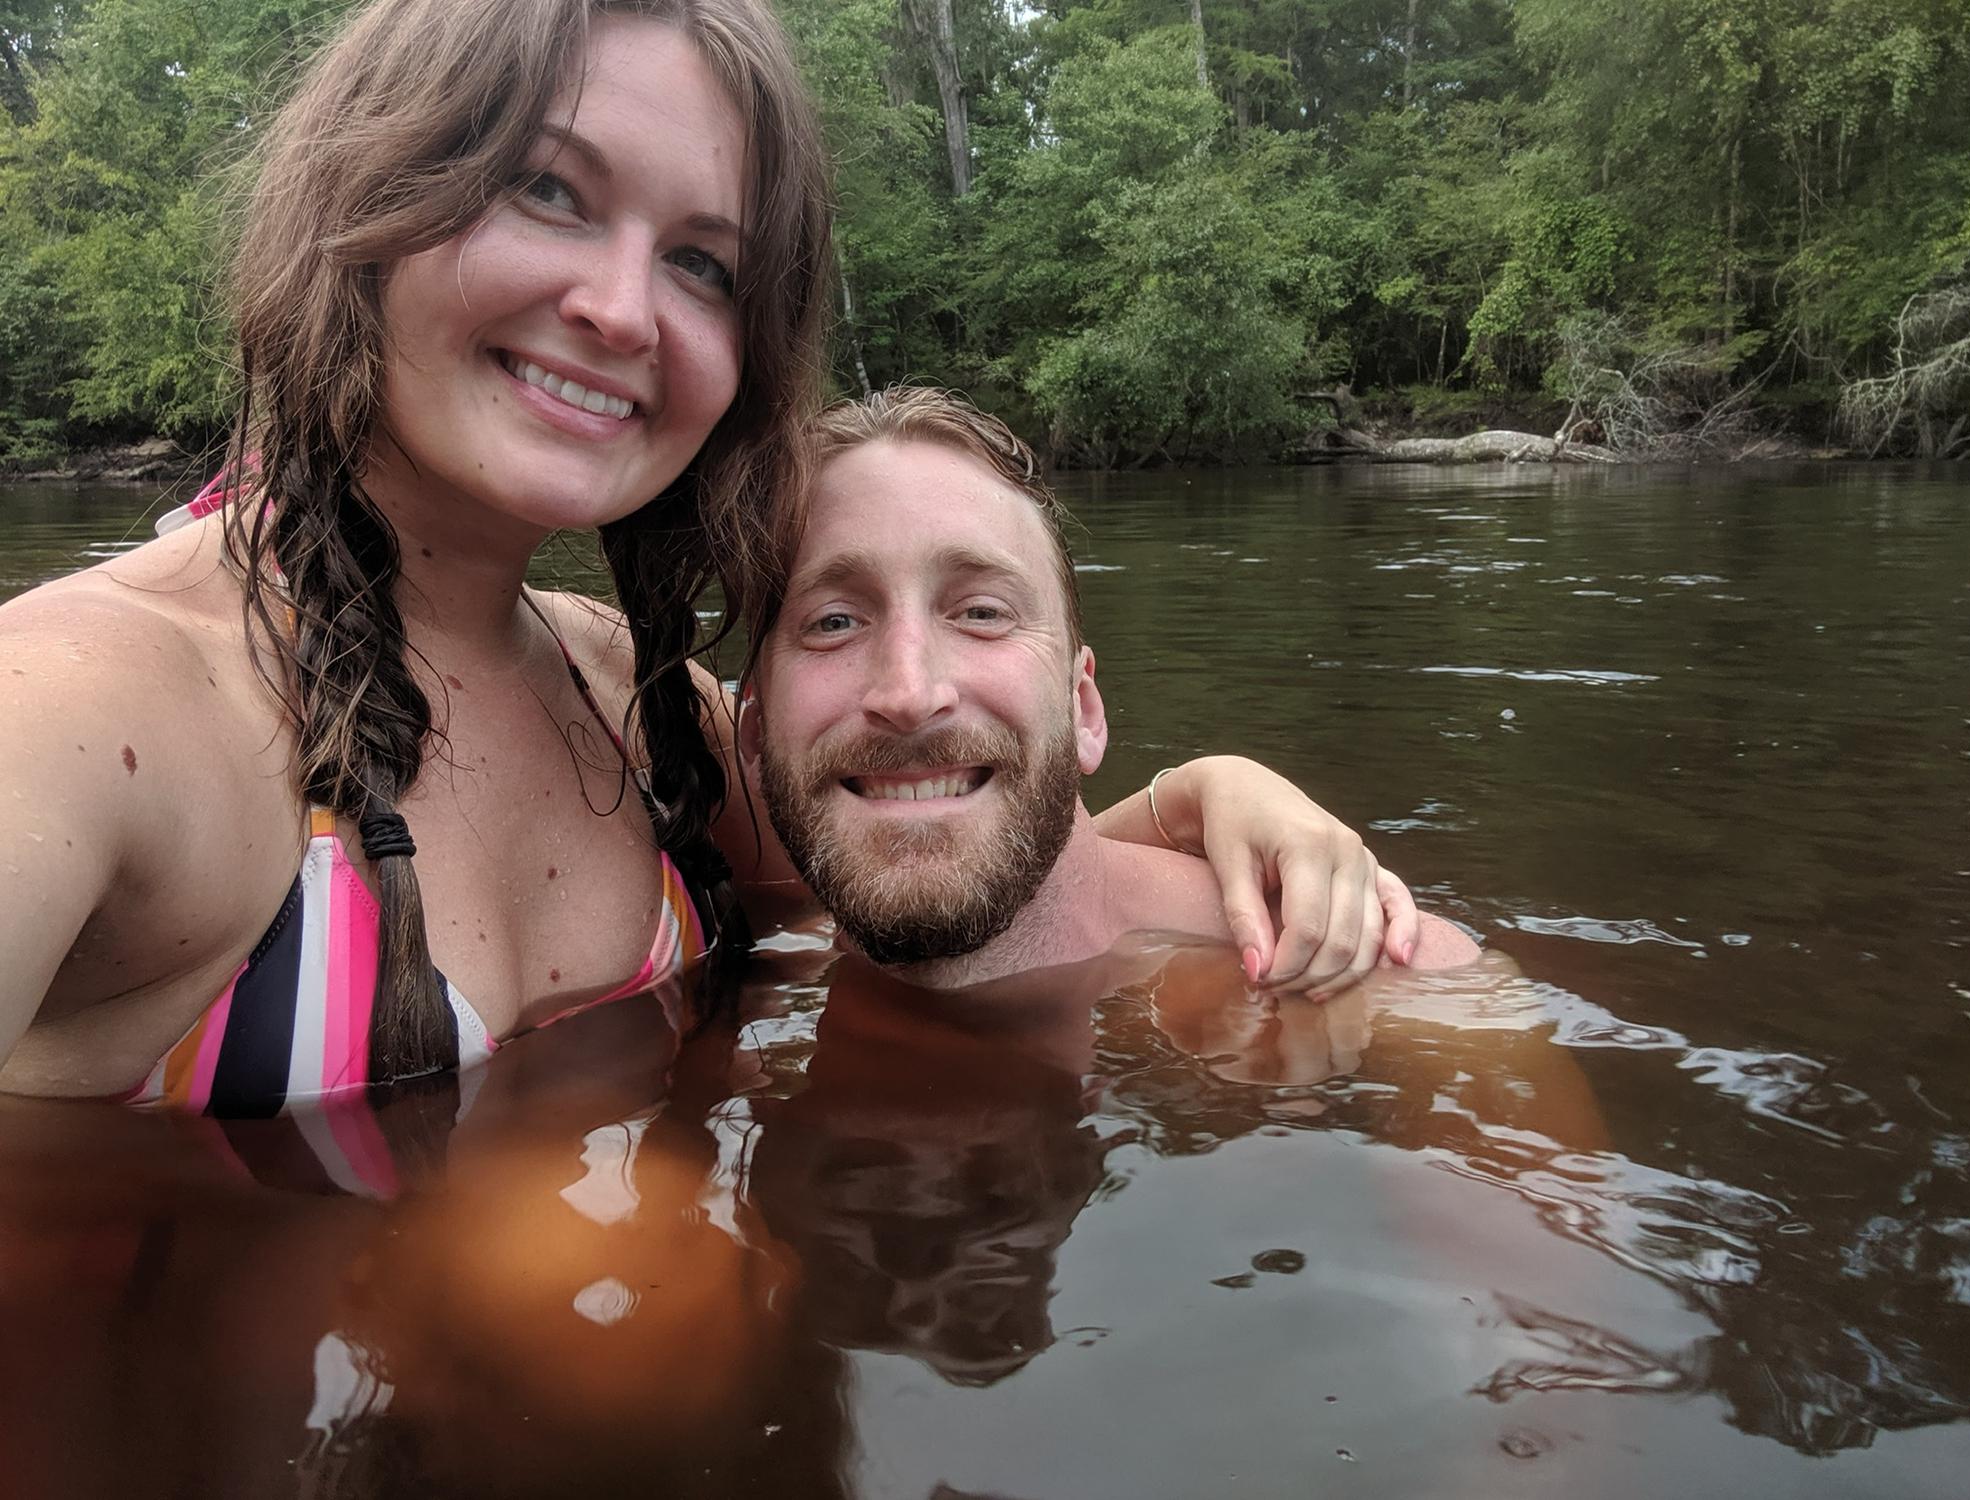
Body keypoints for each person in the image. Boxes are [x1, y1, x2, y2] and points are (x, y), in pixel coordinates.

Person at [0, 0, 1412, 1116]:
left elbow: (956, 855)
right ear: (367, 192)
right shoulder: (85, 711)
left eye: (704, 265)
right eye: (548, 189)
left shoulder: (638, 700)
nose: (621, 309)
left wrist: (1207, 795)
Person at [738, 386, 1481, 989]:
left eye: (982, 613)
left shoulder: (1388, 981)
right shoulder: (749, 973)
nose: (908, 691)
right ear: (753, 733)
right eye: (834, 622)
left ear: (1084, 710)